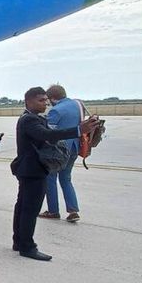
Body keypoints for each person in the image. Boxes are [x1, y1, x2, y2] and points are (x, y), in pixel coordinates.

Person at [11, 87, 100, 261]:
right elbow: (48, 135)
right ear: (28, 101)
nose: (46, 103)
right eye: (41, 100)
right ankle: (27, 246)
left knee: (23, 206)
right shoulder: (29, 120)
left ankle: (19, 241)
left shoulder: (33, 118)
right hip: (33, 170)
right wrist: (78, 130)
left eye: (46, 100)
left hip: (30, 169)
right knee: (29, 209)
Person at [40, 85, 83, 222]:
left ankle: (53, 211)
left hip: (59, 151)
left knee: (50, 178)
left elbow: (47, 132)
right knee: (66, 179)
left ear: (52, 98)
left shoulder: (56, 111)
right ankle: (73, 210)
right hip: (74, 147)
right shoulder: (77, 105)